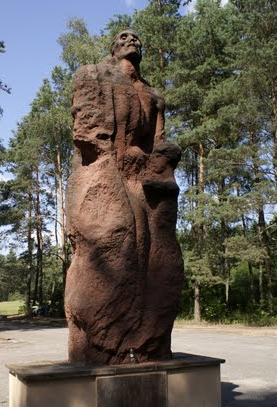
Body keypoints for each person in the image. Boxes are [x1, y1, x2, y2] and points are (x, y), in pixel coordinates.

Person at [65, 30, 183, 364]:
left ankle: (144, 335)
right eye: (123, 36)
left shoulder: (153, 96)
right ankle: (107, 337)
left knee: (156, 252)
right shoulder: (98, 75)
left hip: (142, 177)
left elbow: (158, 142)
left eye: (135, 37)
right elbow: (88, 130)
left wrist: (163, 164)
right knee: (121, 236)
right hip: (108, 170)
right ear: (114, 48)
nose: (131, 39)